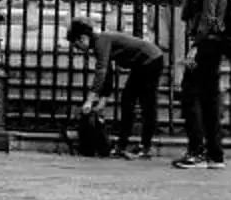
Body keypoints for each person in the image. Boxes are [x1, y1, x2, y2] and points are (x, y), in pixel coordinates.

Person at [68, 18, 168, 159]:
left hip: (151, 60)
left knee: (147, 104)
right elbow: (108, 74)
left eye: (77, 45)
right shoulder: (99, 43)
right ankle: (122, 146)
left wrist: (90, 100)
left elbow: (101, 72)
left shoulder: (102, 41)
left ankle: (145, 147)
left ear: (83, 38)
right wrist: (102, 100)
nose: (77, 49)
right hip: (141, 64)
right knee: (127, 101)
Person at [176, 0, 231, 170]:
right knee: (208, 101)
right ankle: (214, 155)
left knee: (190, 96)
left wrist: (194, 48)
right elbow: (185, 15)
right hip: (209, 45)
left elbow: (209, 18)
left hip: (205, 45)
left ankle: (197, 152)